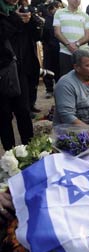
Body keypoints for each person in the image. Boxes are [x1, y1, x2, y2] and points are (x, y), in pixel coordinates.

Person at [0, 0, 44, 150]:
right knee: (4, 115)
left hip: (22, 71)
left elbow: (38, 36)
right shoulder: (6, 13)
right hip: (3, 72)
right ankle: (10, 155)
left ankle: (30, 151)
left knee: (24, 111)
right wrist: (15, 19)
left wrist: (33, 20)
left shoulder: (24, 9)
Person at [53, 0, 89, 77]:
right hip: (65, 53)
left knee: (83, 80)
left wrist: (76, 44)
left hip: (83, 53)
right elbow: (57, 33)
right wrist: (68, 45)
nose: (77, 0)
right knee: (66, 80)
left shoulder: (85, 15)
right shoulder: (59, 13)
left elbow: (88, 36)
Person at [42, 0, 62, 98]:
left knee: (59, 70)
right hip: (49, 49)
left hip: (59, 49)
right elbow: (44, 35)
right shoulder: (48, 19)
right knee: (48, 69)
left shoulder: (62, 19)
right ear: (52, 9)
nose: (58, 9)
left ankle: (59, 89)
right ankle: (49, 89)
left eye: (59, 7)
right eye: (56, 7)